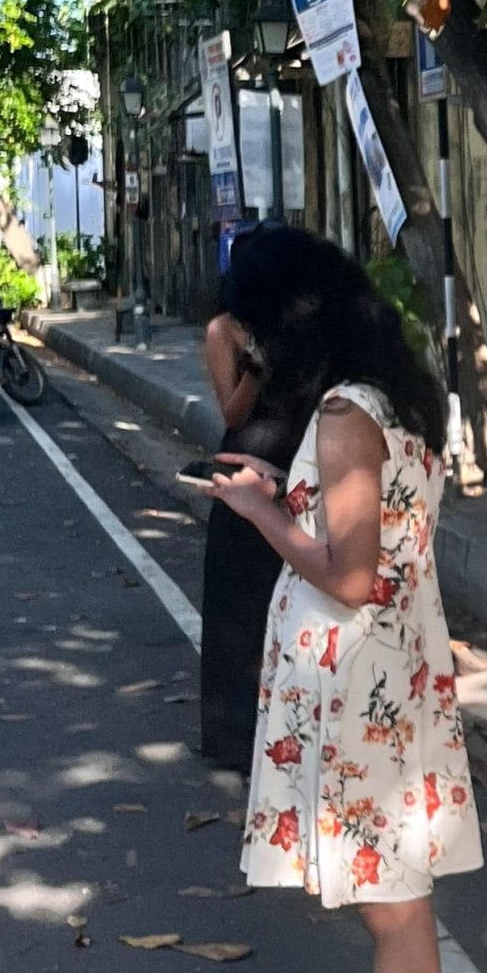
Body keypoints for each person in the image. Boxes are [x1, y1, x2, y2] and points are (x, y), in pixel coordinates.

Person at [208, 226, 483, 973]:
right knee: (392, 901)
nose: (247, 346)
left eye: (252, 327)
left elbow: (352, 572)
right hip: (393, 676)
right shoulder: (397, 397)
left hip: (364, 688)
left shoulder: (341, 413)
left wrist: (261, 513)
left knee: (393, 911)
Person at [197, 275, 301, 773]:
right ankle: (234, 737)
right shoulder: (224, 331)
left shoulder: (294, 324)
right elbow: (234, 412)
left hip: (289, 464)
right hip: (246, 462)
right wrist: (257, 365)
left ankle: (288, 727)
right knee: (239, 606)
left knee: (285, 601)